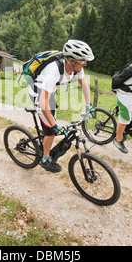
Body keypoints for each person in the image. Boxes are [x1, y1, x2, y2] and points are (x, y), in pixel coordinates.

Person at [29, 40, 95, 173]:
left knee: (51, 122)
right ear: (71, 60)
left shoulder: (76, 67)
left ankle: (43, 139)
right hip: (38, 94)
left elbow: (84, 84)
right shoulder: (53, 70)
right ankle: (45, 159)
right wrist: (53, 126)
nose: (85, 64)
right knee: (51, 129)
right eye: (82, 61)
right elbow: (43, 102)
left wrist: (89, 105)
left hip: (50, 92)